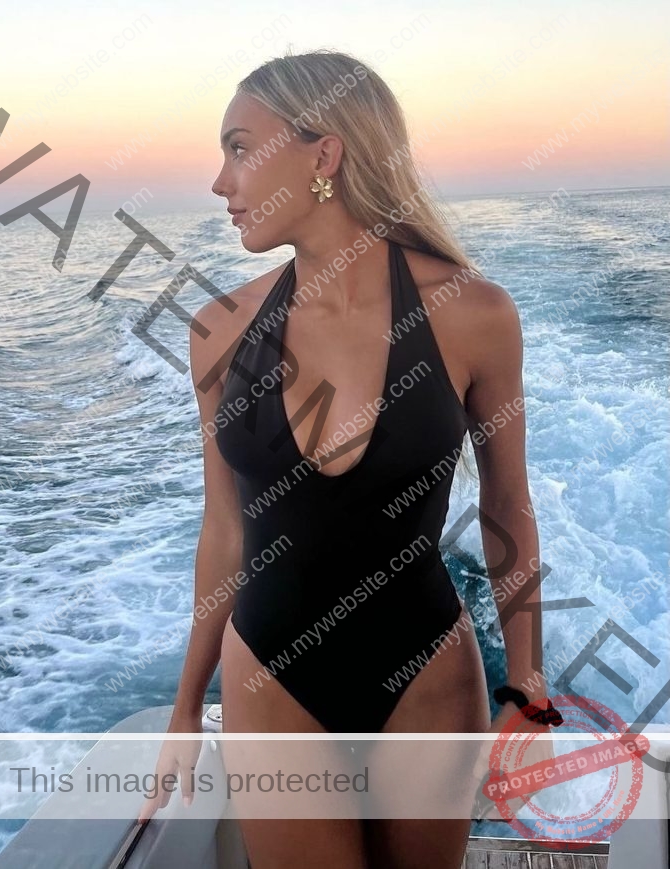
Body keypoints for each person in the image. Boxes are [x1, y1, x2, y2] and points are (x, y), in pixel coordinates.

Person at [139, 49, 553, 868]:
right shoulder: (219, 330)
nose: (221, 183)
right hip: (269, 682)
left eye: (238, 148)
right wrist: (185, 708)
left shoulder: (474, 314)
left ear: (322, 154)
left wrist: (527, 689)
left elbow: (509, 509)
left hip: (427, 677)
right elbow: (224, 530)